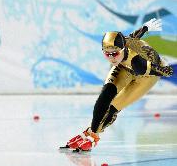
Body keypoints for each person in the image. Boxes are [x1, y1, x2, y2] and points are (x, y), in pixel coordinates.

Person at [64, 18, 173, 151]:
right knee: (105, 94)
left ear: (122, 49)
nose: (111, 58)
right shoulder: (122, 45)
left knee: (114, 107)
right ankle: (90, 132)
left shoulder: (138, 63)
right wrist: (145, 27)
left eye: (114, 54)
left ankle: (93, 136)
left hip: (147, 75)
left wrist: (166, 68)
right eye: (107, 54)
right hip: (124, 67)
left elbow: (167, 72)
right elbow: (133, 36)